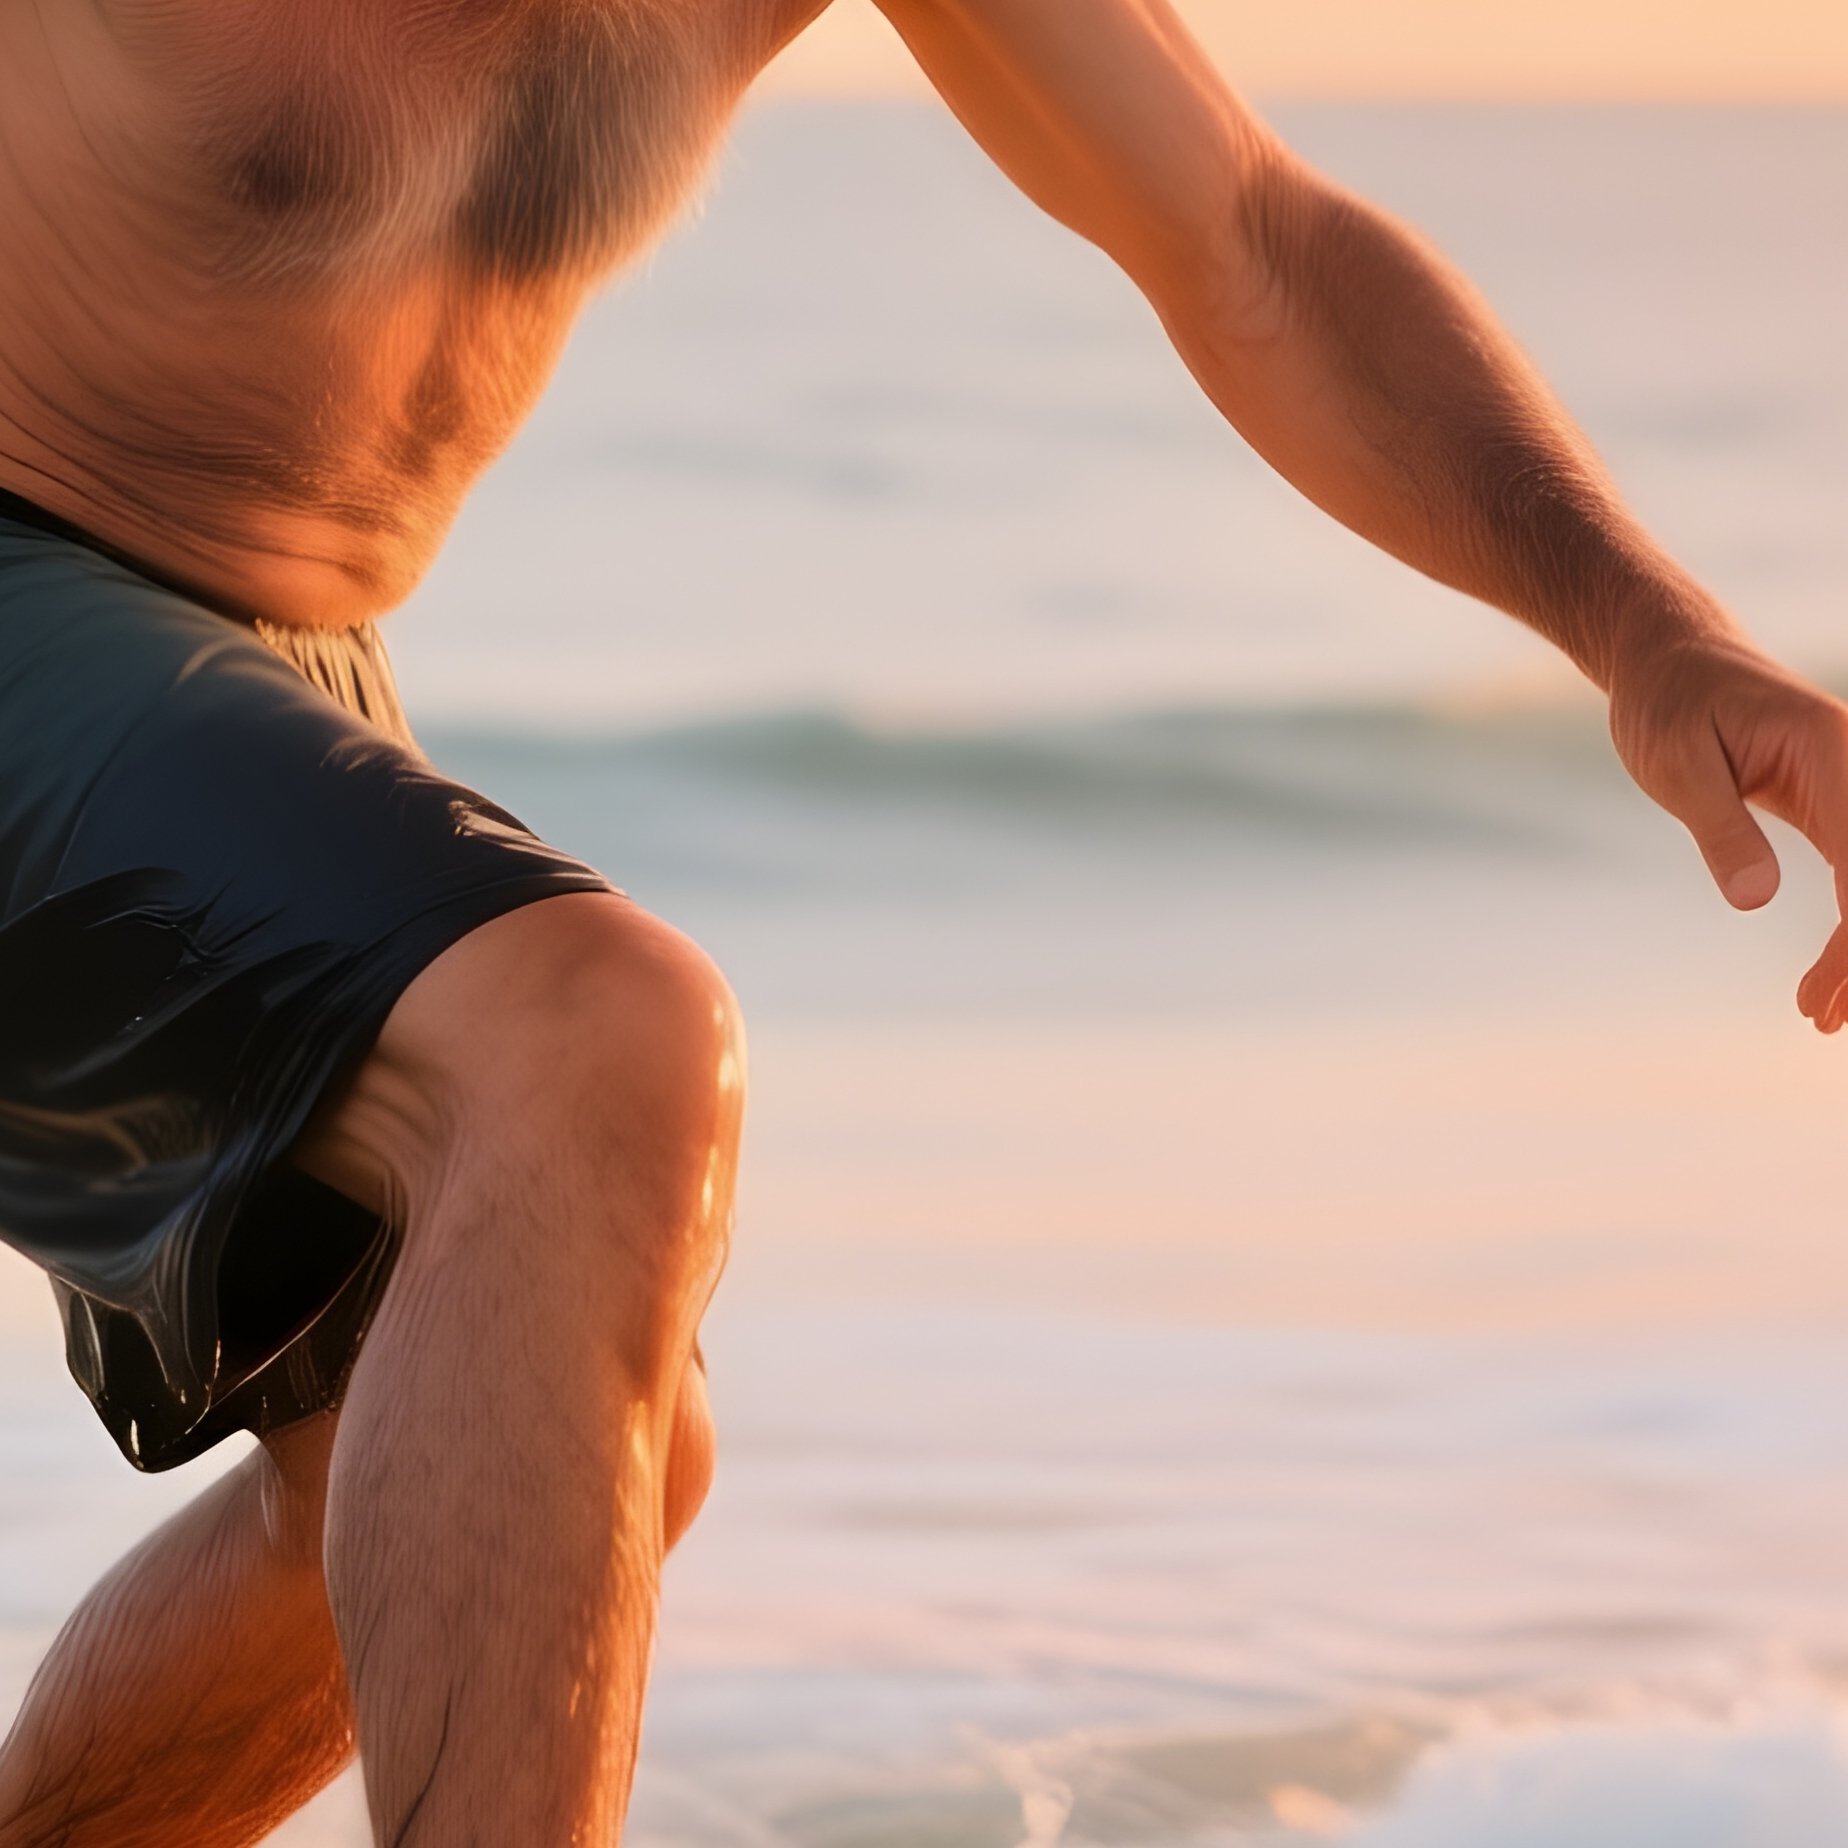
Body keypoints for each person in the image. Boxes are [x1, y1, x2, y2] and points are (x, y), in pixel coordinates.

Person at [0, 0, 1842, 1841]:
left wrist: (1647, 627)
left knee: (560, 1442)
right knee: (592, 1042)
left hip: (271, 646)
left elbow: (1255, 242)